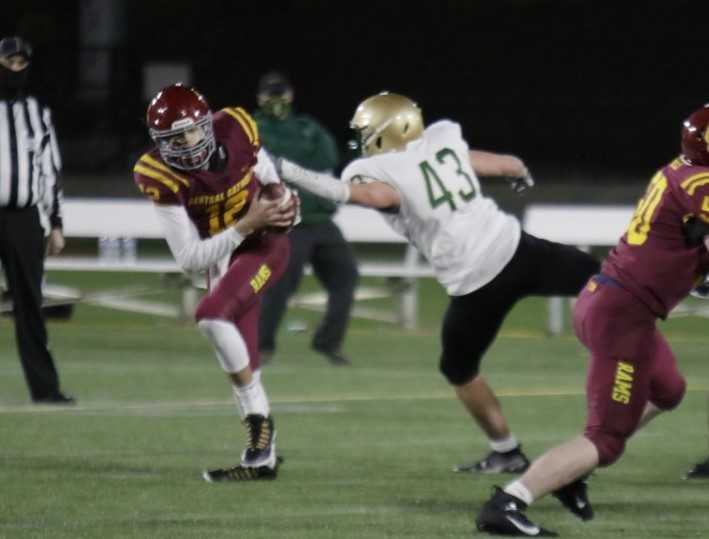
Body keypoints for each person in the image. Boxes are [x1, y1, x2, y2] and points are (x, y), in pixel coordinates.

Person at [274, 92, 600, 475]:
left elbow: (374, 195)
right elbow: (473, 160)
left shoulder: (377, 169)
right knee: (604, 278)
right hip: (517, 248)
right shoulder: (441, 138)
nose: (362, 139)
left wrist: (291, 172)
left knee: (458, 368)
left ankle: (507, 451)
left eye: (367, 132)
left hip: (476, 280)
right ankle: (673, 287)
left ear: (387, 132)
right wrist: (512, 167)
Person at [475, 104, 709, 536]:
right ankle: (509, 502)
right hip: (624, 316)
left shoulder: (682, 171)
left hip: (612, 299)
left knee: (669, 388)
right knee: (605, 440)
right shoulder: (700, 183)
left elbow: (686, 246)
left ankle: (569, 473)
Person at [133, 83, 297, 481]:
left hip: (265, 243)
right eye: (174, 138)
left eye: (191, 131)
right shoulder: (158, 175)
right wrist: (244, 224)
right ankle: (262, 459)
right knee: (243, 354)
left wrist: (279, 196)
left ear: (207, 123)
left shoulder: (237, 126)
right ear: (159, 142)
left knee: (210, 315)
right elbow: (190, 258)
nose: (188, 143)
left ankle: (262, 432)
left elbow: (261, 165)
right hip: (224, 251)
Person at [254, 71, 358, 366]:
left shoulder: (307, 127)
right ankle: (262, 347)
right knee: (281, 284)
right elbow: (265, 166)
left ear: (291, 96)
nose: (276, 102)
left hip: (321, 221)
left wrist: (291, 166)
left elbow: (326, 159)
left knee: (346, 276)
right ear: (260, 98)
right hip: (286, 221)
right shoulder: (252, 127)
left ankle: (328, 341)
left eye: (280, 94)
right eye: (270, 95)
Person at [0, 36, 71, 404]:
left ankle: (45, 389)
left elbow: (49, 169)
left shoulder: (37, 112)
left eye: (20, 64)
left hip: (24, 217)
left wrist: (55, 223)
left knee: (30, 304)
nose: (14, 70)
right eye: (8, 63)